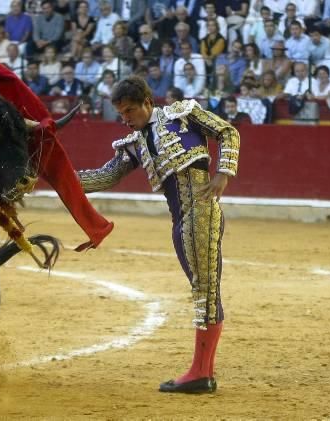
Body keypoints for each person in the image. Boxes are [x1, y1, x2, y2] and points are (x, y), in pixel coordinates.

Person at [76, 75, 239, 394]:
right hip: (179, 220)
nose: (126, 119)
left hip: (201, 207)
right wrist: (60, 177)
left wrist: (223, 172)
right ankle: (202, 371)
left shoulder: (183, 114)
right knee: (201, 287)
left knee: (204, 290)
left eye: (131, 111)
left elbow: (227, 132)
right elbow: (106, 177)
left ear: (148, 103)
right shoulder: (135, 143)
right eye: (121, 114)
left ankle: (201, 373)